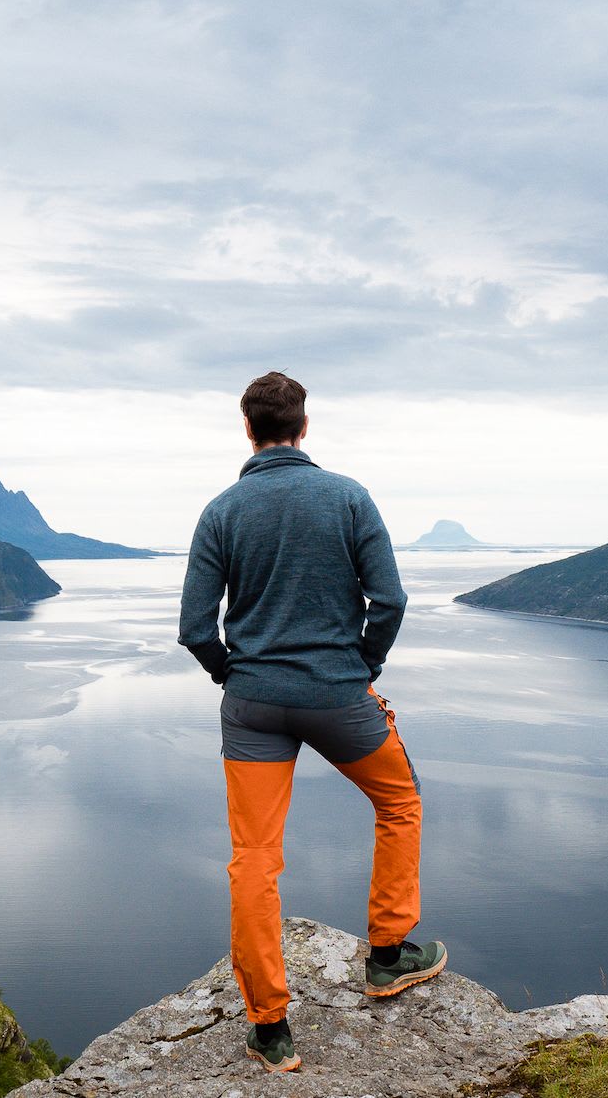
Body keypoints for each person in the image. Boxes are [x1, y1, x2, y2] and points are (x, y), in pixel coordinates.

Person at [178, 370, 446, 1075]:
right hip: (338, 698)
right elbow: (389, 599)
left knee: (255, 860)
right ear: (303, 427)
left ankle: (270, 1031)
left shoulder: (222, 511)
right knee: (398, 801)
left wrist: (230, 671)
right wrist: (361, 666)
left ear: (248, 429)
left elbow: (194, 628)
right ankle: (387, 957)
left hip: (253, 707)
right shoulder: (348, 497)